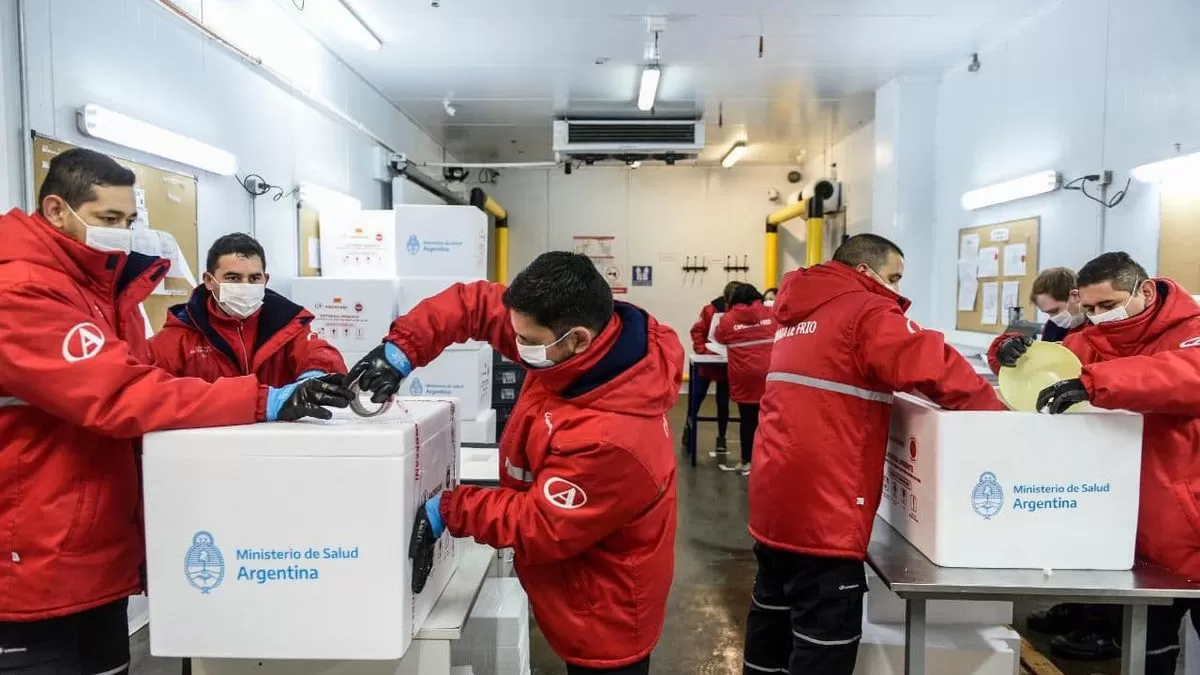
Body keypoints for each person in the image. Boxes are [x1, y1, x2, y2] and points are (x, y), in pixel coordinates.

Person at [0, 148, 351, 674]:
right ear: (56, 210)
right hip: (37, 558)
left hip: (97, 549)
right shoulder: (24, 292)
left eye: (129, 220)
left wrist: (309, 380)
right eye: (107, 220)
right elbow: (125, 392)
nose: (123, 232)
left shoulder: (101, 292)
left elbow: (313, 351)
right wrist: (263, 399)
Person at [347, 251, 682, 675]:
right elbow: (474, 306)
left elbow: (540, 524)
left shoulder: (614, 438)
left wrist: (450, 508)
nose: (516, 345)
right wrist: (400, 352)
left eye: (527, 340)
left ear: (577, 338)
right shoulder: (572, 352)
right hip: (568, 579)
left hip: (604, 609)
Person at [742, 234, 1005, 675]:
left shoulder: (797, 313)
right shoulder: (865, 310)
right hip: (826, 509)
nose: (899, 288)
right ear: (866, 272)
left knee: (772, 619)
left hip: (775, 500)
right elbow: (929, 362)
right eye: (895, 276)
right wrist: (996, 415)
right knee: (824, 640)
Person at [993, 252, 1200, 673]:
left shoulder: (1191, 331)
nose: (1098, 317)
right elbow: (1048, 365)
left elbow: (1181, 375)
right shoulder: (1090, 342)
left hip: (1188, 517)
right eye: (1088, 309)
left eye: (1107, 305)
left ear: (1144, 290)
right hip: (1127, 525)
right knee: (1146, 646)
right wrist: (1006, 352)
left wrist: (1096, 383)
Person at [148, 233, 346, 385]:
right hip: (209, 436)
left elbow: (319, 352)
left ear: (265, 280)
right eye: (233, 278)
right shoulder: (179, 336)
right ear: (209, 280)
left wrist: (315, 376)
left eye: (254, 278)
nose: (245, 286)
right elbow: (151, 388)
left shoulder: (288, 326)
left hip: (275, 437)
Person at [714, 283, 775, 476]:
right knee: (770, 419)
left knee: (747, 419)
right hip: (769, 373)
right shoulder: (771, 314)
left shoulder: (728, 319)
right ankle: (769, 461)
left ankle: (747, 462)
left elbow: (719, 337)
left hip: (744, 376)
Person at [987, 266, 1087, 372]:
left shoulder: (1092, 328)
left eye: (1055, 310)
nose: (1054, 318)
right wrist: (1003, 351)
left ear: (1075, 296)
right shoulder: (1053, 326)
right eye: (1048, 313)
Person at [686, 281, 739, 456]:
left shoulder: (739, 311)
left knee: (723, 403)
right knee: (696, 400)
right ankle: (689, 429)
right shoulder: (710, 310)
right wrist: (704, 351)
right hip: (707, 363)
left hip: (725, 364)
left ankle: (721, 438)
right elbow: (697, 332)